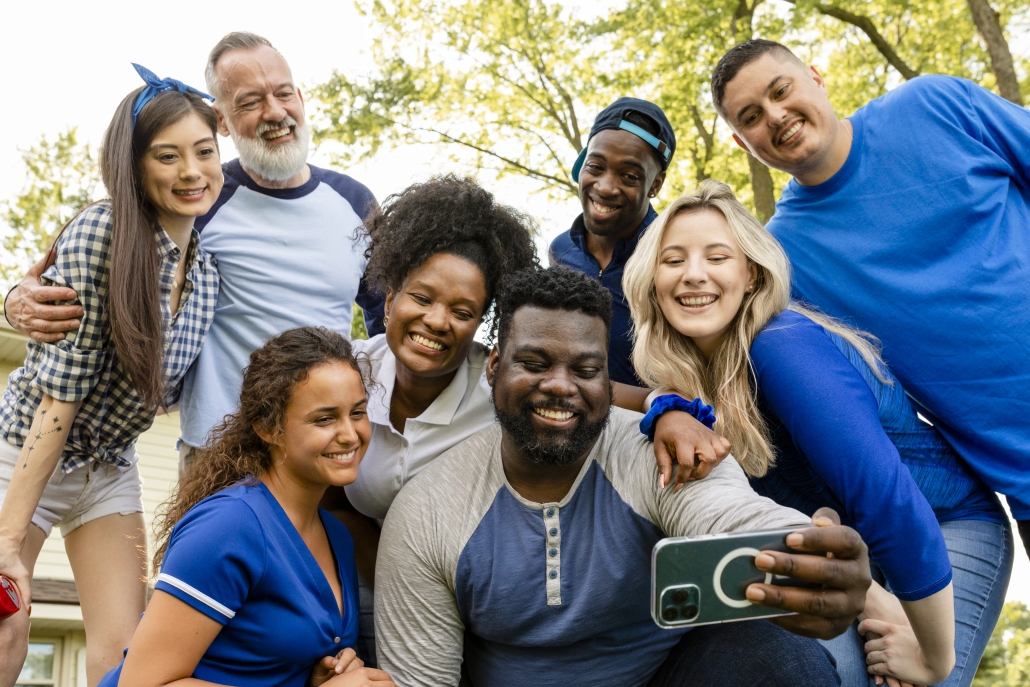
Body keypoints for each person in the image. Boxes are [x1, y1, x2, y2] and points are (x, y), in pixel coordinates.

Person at [374, 265, 874, 687]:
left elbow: (731, 514)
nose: (560, 387)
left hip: (665, 673)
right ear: (494, 368)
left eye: (586, 370)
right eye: (534, 363)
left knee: (775, 649)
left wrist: (805, 554)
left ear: (607, 381)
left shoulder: (655, 451)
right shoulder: (429, 509)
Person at [324, 175, 728, 665]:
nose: (437, 321)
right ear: (389, 301)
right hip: (368, 580)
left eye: (462, 310)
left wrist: (669, 414)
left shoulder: (502, 385)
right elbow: (327, 499)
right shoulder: (346, 375)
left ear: (481, 326)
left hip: (483, 590)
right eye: (423, 298)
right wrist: (394, 572)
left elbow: (608, 394)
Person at [624, 180, 1010, 686]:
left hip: (941, 526)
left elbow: (888, 501)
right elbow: (597, 392)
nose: (693, 274)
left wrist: (934, 659)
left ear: (752, 274)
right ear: (651, 280)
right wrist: (660, 404)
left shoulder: (781, 345)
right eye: (673, 261)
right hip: (847, 549)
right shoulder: (695, 378)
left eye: (717, 257)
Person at [709, 39, 1030, 566]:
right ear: (745, 146)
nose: (776, 116)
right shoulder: (781, 260)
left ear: (816, 76)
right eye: (752, 116)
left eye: (781, 90)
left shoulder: (934, 106)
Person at [4, 32, 385, 465]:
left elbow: (386, 323)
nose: (274, 112)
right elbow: (102, 251)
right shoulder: (200, 195)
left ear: (300, 96)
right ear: (221, 121)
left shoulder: (355, 203)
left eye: (282, 94)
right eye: (250, 101)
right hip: (217, 449)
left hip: (324, 451)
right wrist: (17, 300)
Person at [0, 66, 222, 687]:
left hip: (109, 465)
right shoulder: (102, 233)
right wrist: (8, 538)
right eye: (167, 156)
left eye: (204, 151)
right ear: (135, 165)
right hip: (25, 454)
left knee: (126, 657)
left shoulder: (206, 275)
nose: (191, 171)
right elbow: (58, 399)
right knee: (5, 622)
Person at [97, 327, 395, 687]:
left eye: (358, 412)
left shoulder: (337, 536)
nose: (350, 434)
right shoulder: (229, 527)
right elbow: (142, 684)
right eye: (325, 418)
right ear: (269, 429)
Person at [549, 97, 674, 387]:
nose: (605, 187)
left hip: (649, 422)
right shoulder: (561, 251)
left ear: (655, 184)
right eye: (595, 166)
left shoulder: (671, 256)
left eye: (629, 176)